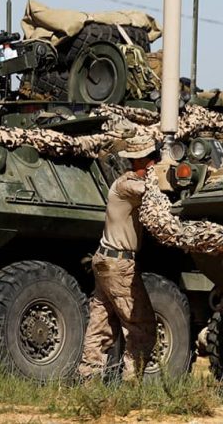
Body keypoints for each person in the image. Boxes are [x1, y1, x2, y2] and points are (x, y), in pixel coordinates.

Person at [77, 139, 159, 382]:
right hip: (119, 266)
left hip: (105, 260)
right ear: (142, 161)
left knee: (100, 327)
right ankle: (131, 382)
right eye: (152, 159)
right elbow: (152, 193)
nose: (155, 163)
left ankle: (88, 381)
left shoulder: (122, 182)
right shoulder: (128, 184)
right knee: (142, 327)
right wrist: (161, 175)